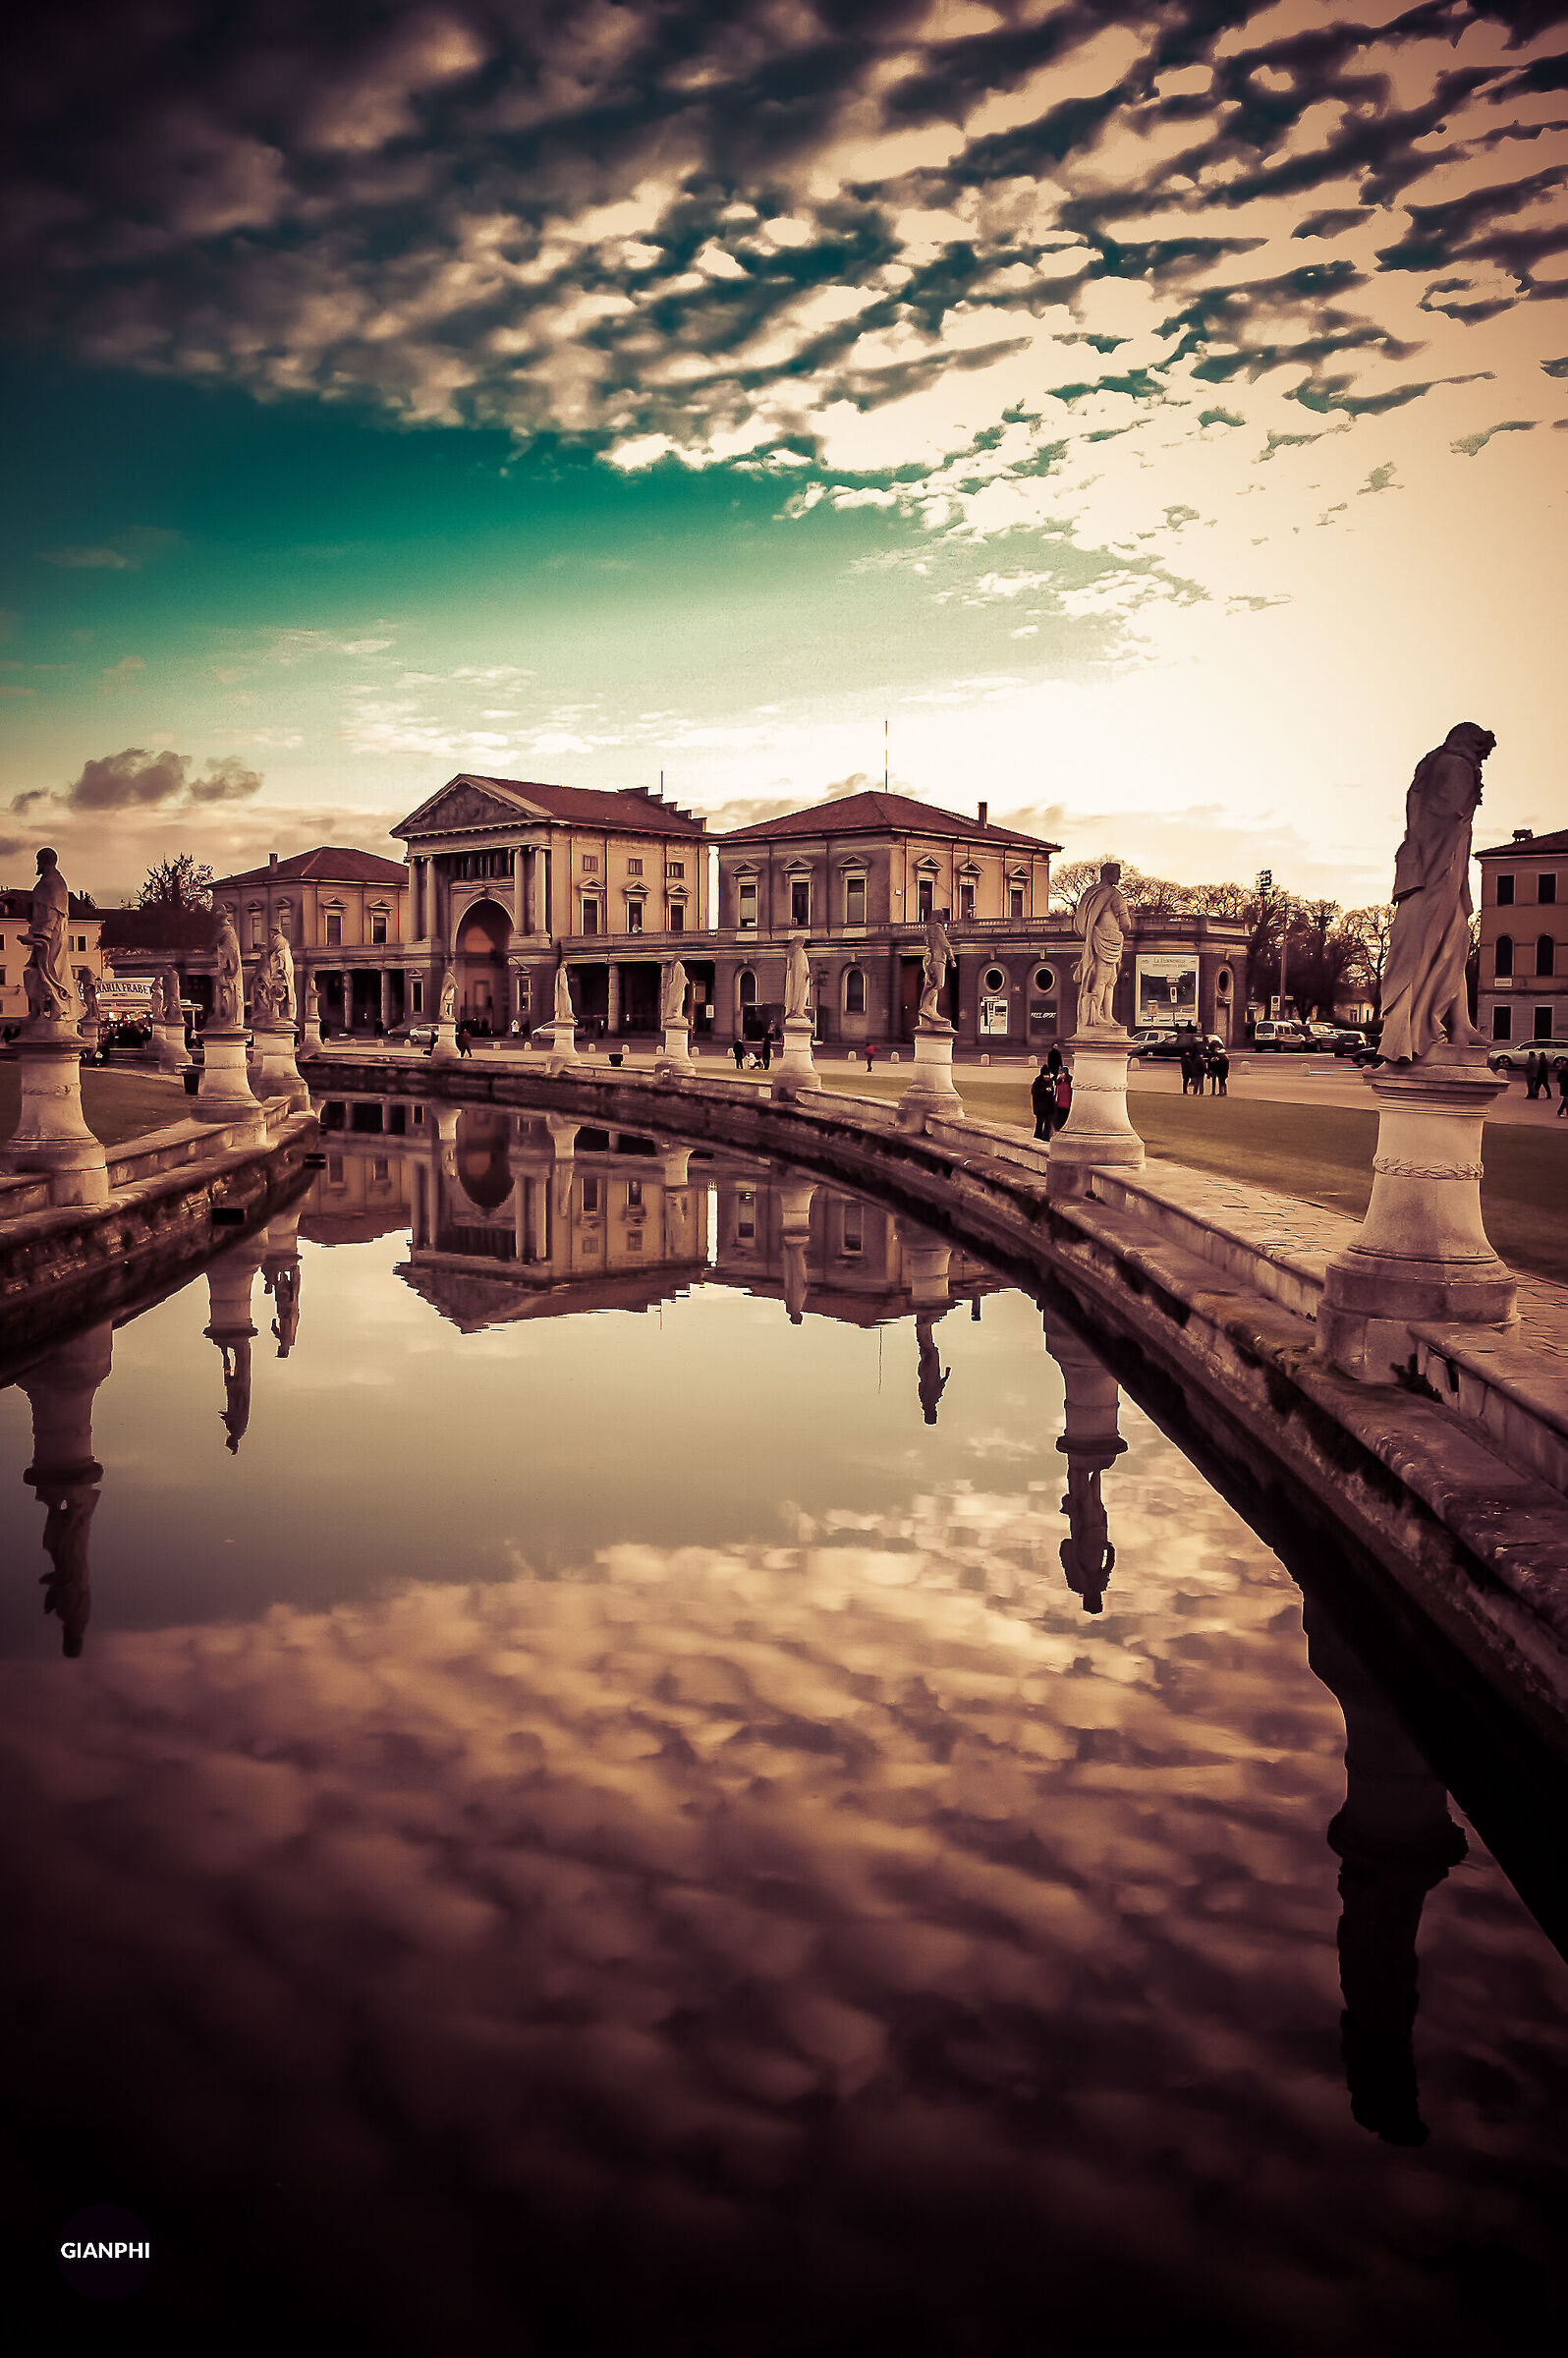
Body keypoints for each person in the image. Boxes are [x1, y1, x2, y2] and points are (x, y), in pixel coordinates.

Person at [1378, 722, 1494, 1063]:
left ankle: (1458, 1023)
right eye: (1481, 754)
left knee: (1453, 943)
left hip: (1444, 872)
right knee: (1429, 947)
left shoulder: (1445, 766)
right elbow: (1445, 817)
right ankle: (1412, 1030)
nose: (1481, 764)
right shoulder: (1455, 765)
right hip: (1436, 873)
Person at [1031, 1056, 1055, 1142]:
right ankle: (1037, 1137)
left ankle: (1046, 1137)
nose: (1047, 1077)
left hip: (1049, 1107)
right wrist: (1044, 1090)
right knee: (1039, 1123)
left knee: (1048, 1124)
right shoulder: (1037, 1082)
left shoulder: (1050, 1082)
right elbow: (1035, 1093)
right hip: (1040, 1108)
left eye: (1048, 1075)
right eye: (1045, 1075)